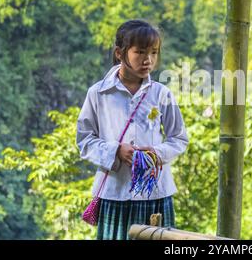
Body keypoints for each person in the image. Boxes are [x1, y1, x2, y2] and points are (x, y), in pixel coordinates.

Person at [76, 19, 189, 240]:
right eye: (140, 52)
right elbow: (84, 140)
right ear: (120, 53)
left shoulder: (161, 93)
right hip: (114, 193)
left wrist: (156, 153)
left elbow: (179, 139)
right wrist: (116, 150)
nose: (148, 60)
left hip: (155, 193)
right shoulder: (98, 93)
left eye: (154, 53)